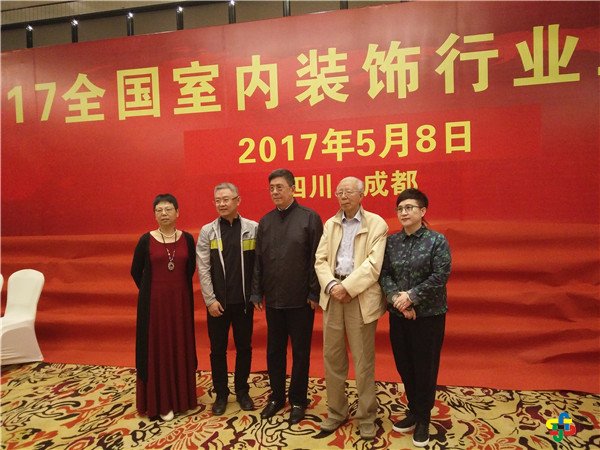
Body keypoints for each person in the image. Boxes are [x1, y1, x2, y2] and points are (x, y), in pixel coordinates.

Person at [314, 176, 388, 440]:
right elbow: (320, 260)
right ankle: (336, 412)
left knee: (363, 360)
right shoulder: (330, 224)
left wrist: (347, 287)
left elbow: (373, 265)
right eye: (339, 192)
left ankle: (367, 416)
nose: (343, 196)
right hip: (333, 295)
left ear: (361, 194)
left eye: (348, 191)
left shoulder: (377, 224)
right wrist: (333, 285)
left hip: (360, 297)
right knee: (332, 357)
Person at [379, 188, 451, 448]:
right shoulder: (392, 242)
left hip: (428, 316)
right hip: (400, 316)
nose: (404, 212)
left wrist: (411, 297)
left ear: (423, 211)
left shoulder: (436, 241)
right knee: (405, 365)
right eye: (400, 208)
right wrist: (397, 299)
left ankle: (423, 418)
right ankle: (414, 409)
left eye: (409, 207)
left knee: (425, 368)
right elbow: (384, 274)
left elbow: (440, 275)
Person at [250, 168, 323, 424]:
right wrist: (256, 291)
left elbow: (317, 258)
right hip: (274, 299)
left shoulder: (309, 218)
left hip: (301, 299)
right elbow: (258, 259)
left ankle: (299, 400)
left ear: (292, 189)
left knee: (301, 353)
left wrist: (314, 292)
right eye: (271, 188)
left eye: (279, 187)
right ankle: (277, 397)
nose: (275, 192)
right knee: (274, 351)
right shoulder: (265, 222)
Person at [130, 193, 198, 421]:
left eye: (168, 209)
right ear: (154, 215)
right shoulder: (146, 240)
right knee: (158, 350)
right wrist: (153, 293)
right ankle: (162, 402)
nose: (164, 213)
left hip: (180, 305)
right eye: (159, 210)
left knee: (179, 346)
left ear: (177, 212)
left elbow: (190, 269)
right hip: (155, 308)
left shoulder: (187, 239)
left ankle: (182, 399)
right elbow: (136, 271)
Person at [196, 183, 257, 416]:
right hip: (217, 304)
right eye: (218, 200)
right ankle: (221, 394)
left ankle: (242, 390)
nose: (221, 204)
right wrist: (210, 300)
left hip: (243, 303)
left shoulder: (253, 228)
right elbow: (203, 268)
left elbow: (258, 266)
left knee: (244, 348)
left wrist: (255, 294)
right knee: (217, 351)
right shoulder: (207, 231)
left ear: (237, 200)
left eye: (226, 199)